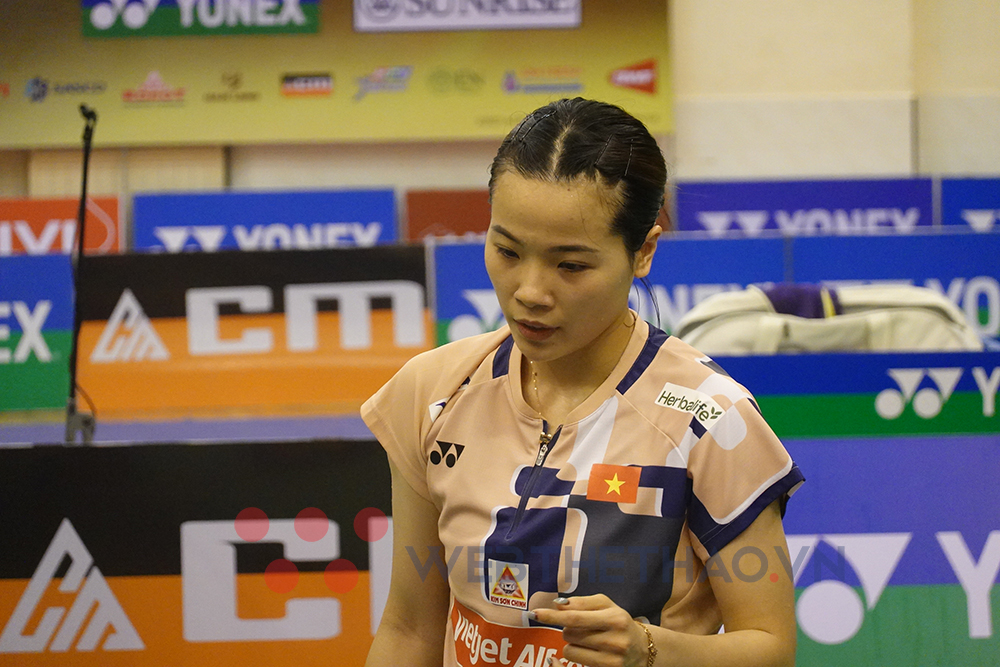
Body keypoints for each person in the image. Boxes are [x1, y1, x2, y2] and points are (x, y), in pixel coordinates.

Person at [361, 98, 804, 667]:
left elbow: (771, 647)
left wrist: (649, 650)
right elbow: (408, 630)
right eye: (507, 250)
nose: (530, 292)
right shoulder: (433, 390)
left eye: (570, 265)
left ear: (643, 251)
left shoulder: (712, 418)